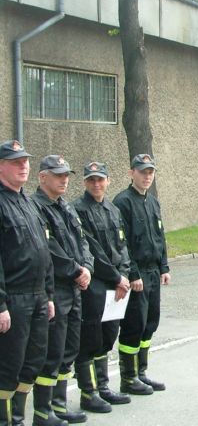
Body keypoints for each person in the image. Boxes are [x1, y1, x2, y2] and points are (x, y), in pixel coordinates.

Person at [32, 155, 94, 425]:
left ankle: (59, 404)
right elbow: (49, 250)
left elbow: (82, 241)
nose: (64, 180)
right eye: (58, 175)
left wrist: (87, 267)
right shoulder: (37, 207)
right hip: (55, 288)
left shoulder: (64, 206)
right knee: (52, 351)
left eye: (66, 175)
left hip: (75, 287)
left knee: (69, 349)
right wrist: (76, 270)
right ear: (42, 177)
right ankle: (42, 411)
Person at [0, 140, 54, 426]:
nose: (23, 166)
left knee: (32, 362)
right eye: (15, 162)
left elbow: (43, 251)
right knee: (8, 366)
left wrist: (48, 295)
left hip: (37, 297)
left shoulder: (29, 203)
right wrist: (0, 304)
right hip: (14, 298)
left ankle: (18, 419)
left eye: (25, 161)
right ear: (0, 167)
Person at [73, 161, 132, 413]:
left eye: (100, 179)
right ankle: (89, 392)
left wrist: (124, 274)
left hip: (117, 283)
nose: (96, 184)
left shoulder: (112, 209)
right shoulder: (78, 209)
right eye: (91, 179)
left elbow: (122, 245)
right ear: (85, 182)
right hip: (96, 282)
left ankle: (103, 387)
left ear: (108, 181)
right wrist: (117, 278)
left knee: (108, 336)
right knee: (91, 337)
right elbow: (93, 251)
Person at [113, 153, 170, 395]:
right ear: (131, 173)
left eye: (150, 172)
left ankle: (141, 372)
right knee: (134, 325)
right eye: (142, 172)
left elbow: (160, 236)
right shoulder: (123, 202)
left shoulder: (153, 201)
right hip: (137, 275)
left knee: (150, 323)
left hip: (153, 272)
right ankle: (128, 378)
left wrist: (164, 267)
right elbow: (122, 243)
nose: (147, 176)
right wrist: (133, 273)